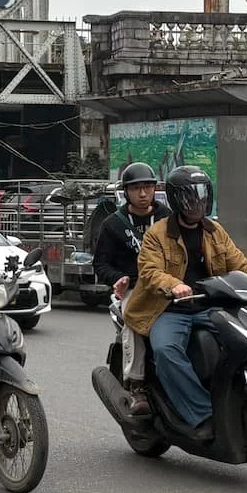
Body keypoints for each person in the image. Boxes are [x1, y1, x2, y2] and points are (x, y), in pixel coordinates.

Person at [122, 166, 247, 441]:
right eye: (190, 197)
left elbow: (239, 264)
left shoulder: (215, 231)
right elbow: (150, 271)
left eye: (201, 196)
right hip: (171, 309)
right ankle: (203, 413)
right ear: (176, 200)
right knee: (166, 350)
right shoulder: (157, 234)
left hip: (212, 307)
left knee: (246, 343)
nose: (197, 203)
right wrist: (174, 285)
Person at [93, 162, 169, 416]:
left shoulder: (168, 218)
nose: (143, 193)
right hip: (136, 288)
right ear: (126, 192)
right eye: (136, 188)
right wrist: (118, 279)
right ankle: (136, 386)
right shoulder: (113, 224)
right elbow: (100, 263)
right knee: (135, 321)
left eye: (147, 187)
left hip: (169, 285)